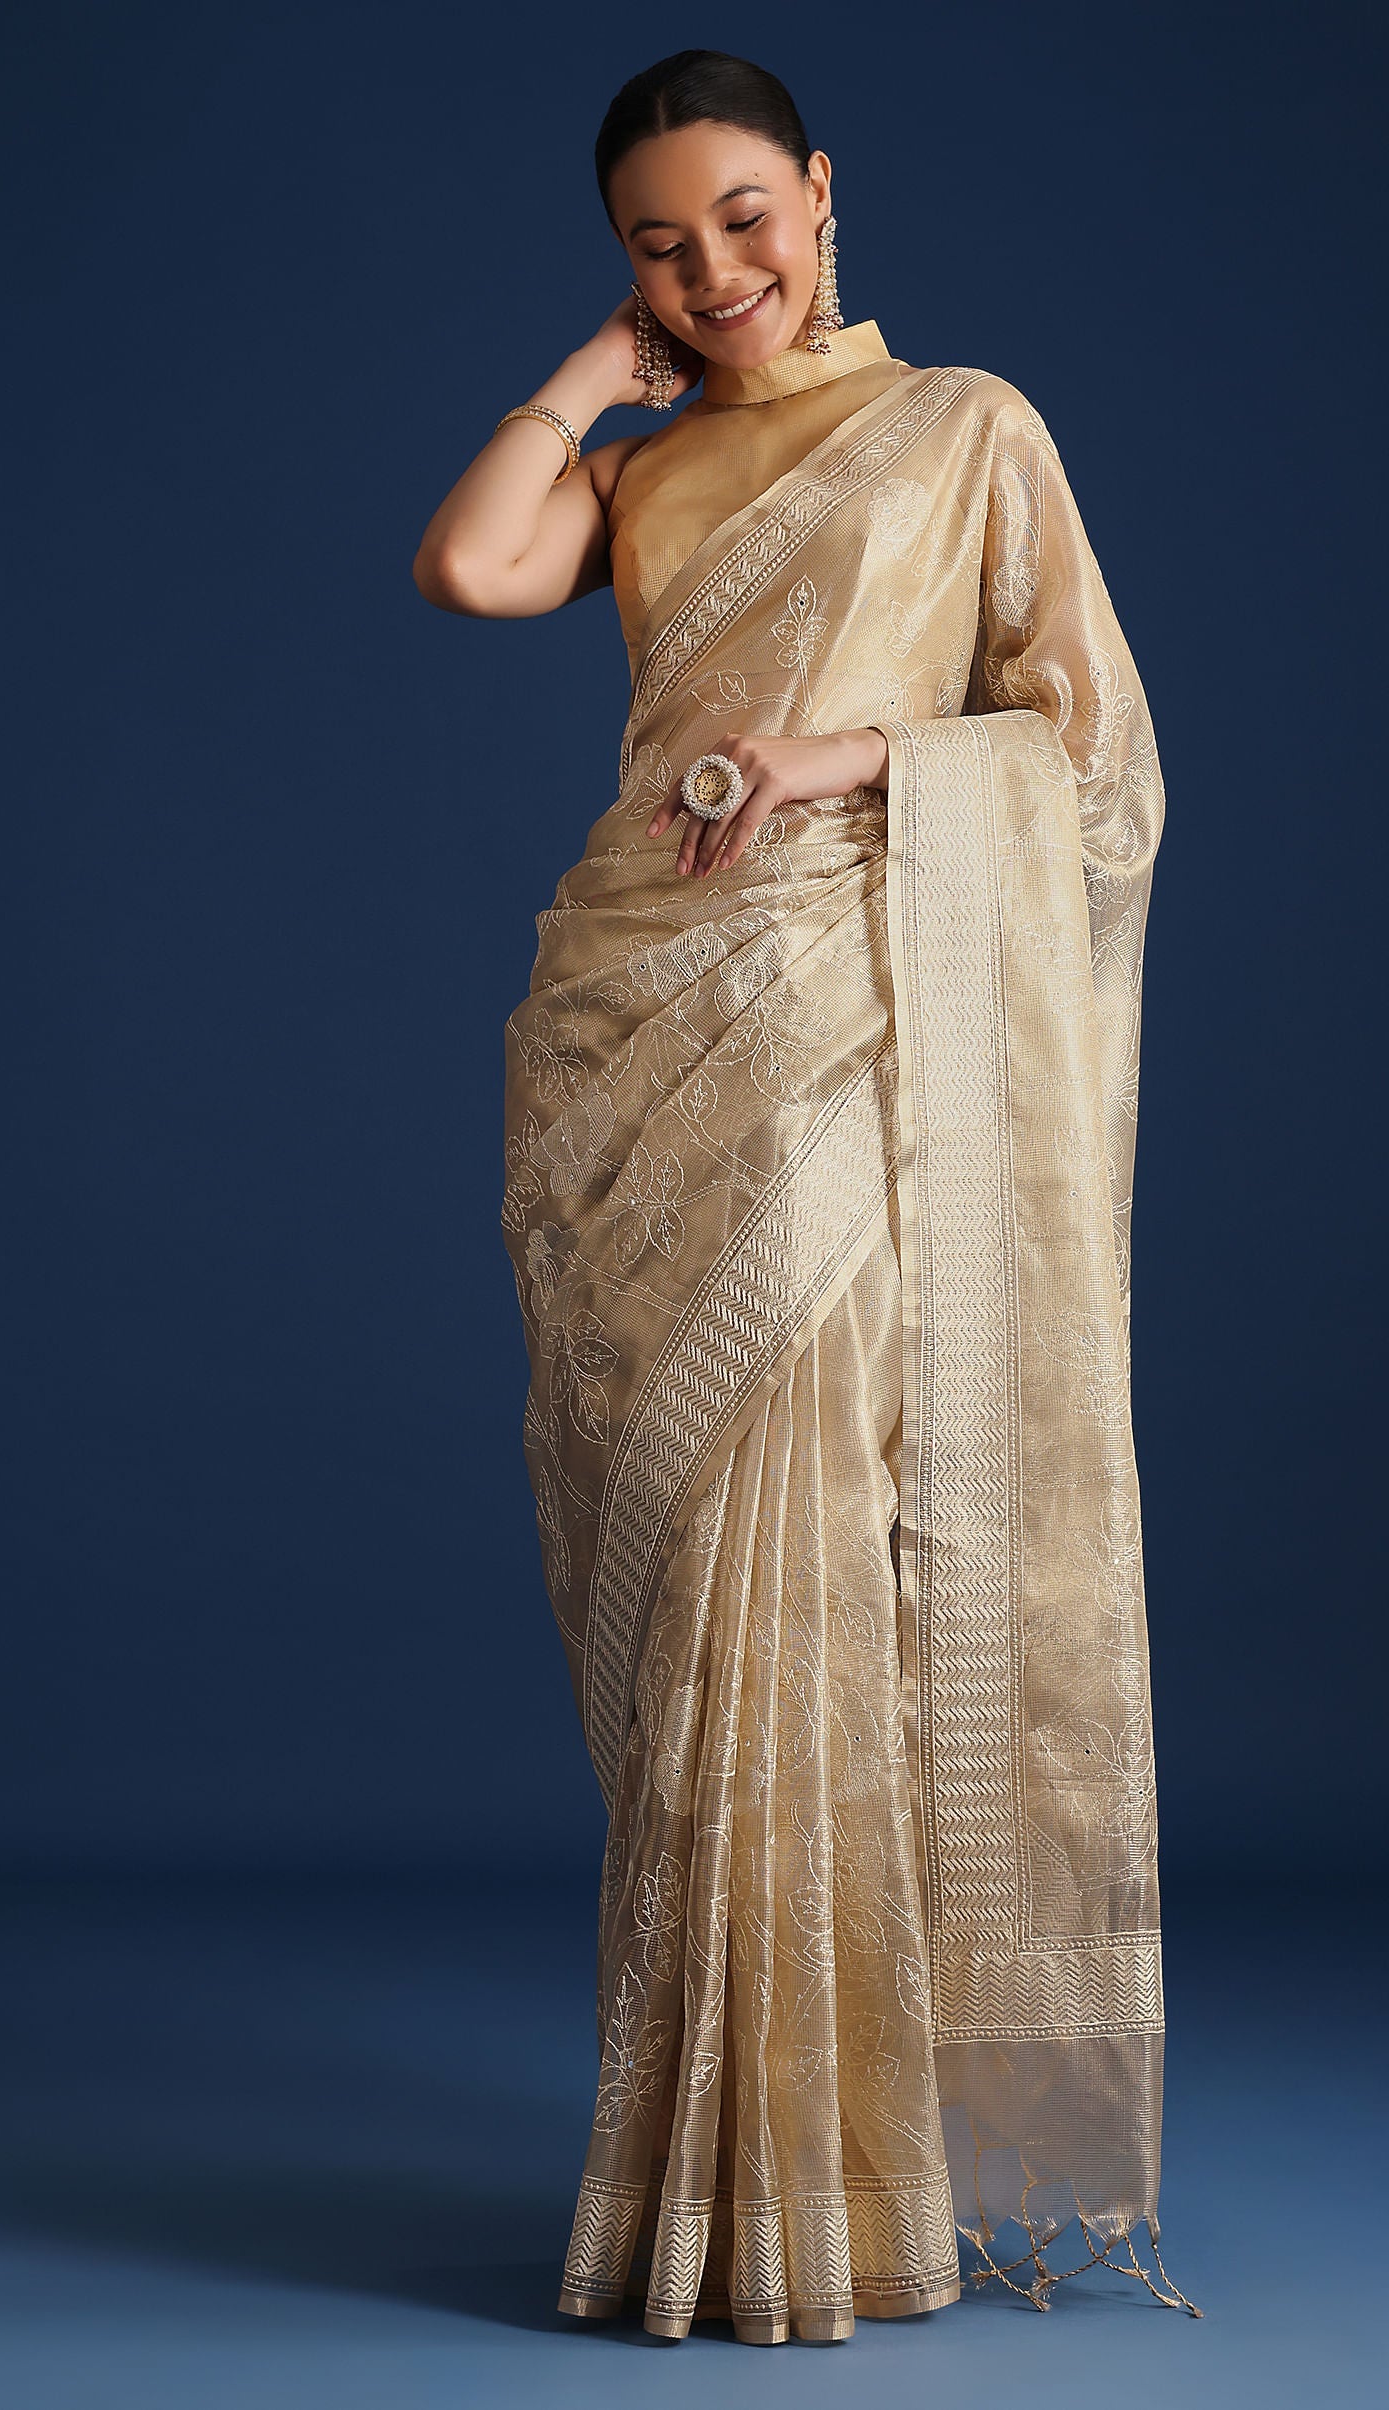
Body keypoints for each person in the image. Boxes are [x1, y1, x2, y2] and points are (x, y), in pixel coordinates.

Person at [413, 47, 1199, 2348]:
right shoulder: (646, 471)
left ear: (826, 193)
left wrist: (847, 756)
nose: (716, 271)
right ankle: (703, 2172)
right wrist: (597, 375)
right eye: (659, 244)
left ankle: (837, 2188)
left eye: (745, 217)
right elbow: (470, 562)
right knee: (695, 1606)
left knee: (806, 1560)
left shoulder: (965, 429)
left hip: (854, 1014)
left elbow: (1096, 752)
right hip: (651, 1039)